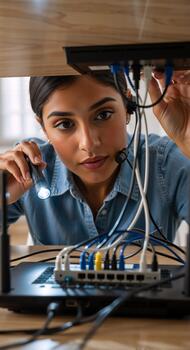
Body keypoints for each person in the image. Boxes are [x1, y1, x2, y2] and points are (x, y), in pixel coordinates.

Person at [0, 72, 190, 245]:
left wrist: (188, 141)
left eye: (103, 115)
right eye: (65, 124)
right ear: (43, 127)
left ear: (128, 108)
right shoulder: (27, 170)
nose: (88, 144)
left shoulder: (165, 163)